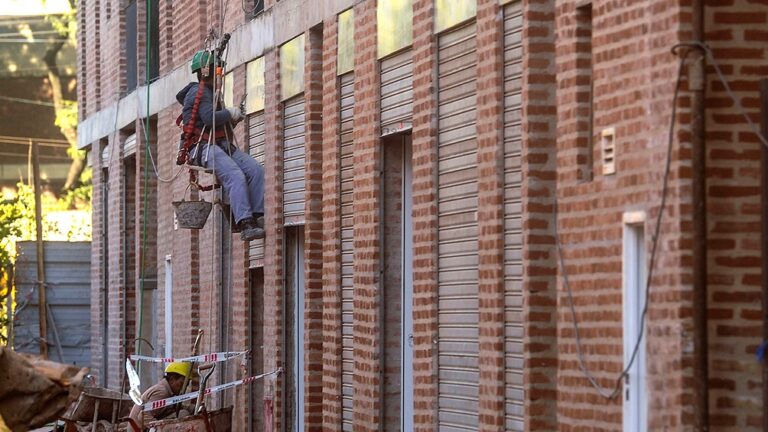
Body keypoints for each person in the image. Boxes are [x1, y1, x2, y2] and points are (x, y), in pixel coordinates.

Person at [175, 49, 265, 241]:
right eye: (218, 71)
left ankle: (256, 215)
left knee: (255, 170)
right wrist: (229, 113)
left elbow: (216, 123)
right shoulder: (198, 92)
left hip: (221, 145)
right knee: (235, 175)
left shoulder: (211, 94)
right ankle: (245, 223)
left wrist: (233, 118)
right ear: (206, 72)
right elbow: (208, 118)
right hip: (202, 148)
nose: (220, 75)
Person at [128, 362, 195, 427]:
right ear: (172, 380)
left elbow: (175, 408)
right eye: (182, 383)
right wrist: (158, 428)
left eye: (186, 385)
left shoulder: (167, 391)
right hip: (139, 429)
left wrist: (193, 408)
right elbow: (143, 416)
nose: (184, 388)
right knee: (183, 414)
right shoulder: (162, 393)